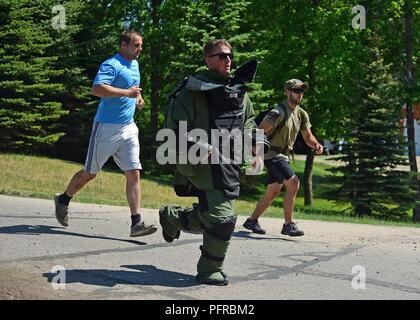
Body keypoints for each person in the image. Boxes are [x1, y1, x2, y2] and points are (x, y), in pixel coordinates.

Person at [158, 39, 267, 286]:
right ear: (208, 59)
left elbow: (248, 121)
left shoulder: (237, 89)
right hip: (201, 165)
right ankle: (209, 270)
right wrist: (200, 146)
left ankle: (173, 216)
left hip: (229, 163)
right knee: (223, 219)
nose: (228, 60)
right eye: (221, 56)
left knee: (214, 215)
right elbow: (173, 129)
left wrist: (257, 142)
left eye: (230, 56)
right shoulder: (191, 91)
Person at [54, 30, 157, 237]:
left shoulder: (134, 65)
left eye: (141, 45)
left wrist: (137, 100)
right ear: (123, 45)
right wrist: (127, 93)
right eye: (136, 45)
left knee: (134, 172)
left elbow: (133, 89)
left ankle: (136, 223)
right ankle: (63, 199)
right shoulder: (111, 64)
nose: (140, 49)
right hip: (106, 128)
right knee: (89, 173)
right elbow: (97, 89)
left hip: (128, 127)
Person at [243, 79, 323, 236]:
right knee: (293, 183)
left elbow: (308, 137)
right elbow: (259, 131)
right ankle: (288, 224)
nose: (300, 94)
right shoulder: (277, 111)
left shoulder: (301, 114)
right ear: (287, 92)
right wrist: (257, 155)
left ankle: (252, 221)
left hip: (283, 155)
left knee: (274, 190)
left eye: (301, 91)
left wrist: (317, 145)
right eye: (296, 91)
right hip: (271, 153)